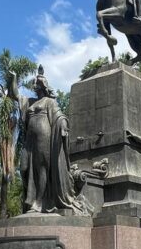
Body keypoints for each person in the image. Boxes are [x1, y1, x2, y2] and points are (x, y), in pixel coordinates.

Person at [10, 66, 90, 214]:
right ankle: (30, 199)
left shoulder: (49, 102)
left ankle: (38, 203)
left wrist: (63, 126)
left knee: (42, 168)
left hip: (44, 138)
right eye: (36, 83)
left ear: (43, 86)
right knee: (24, 169)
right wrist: (13, 78)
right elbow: (14, 95)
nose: (36, 85)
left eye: (38, 83)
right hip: (29, 141)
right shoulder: (29, 101)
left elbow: (59, 116)